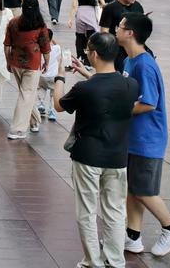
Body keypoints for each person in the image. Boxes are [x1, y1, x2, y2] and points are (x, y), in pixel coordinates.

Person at [53, 33, 140, 268]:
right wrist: (86, 72)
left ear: (93, 54)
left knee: (87, 212)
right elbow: (108, 89)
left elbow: (58, 105)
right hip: (117, 157)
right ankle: (115, 261)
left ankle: (93, 262)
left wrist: (60, 76)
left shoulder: (84, 88)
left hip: (87, 156)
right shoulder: (131, 85)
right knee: (115, 211)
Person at [116, 14, 170, 257]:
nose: (116, 29)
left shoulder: (144, 64)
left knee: (144, 190)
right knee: (133, 189)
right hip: (133, 137)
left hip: (148, 139)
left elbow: (148, 103)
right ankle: (133, 236)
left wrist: (117, 109)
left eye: (120, 26)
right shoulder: (129, 60)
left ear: (130, 33)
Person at [3, 0, 51, 139]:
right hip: (33, 64)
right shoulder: (40, 26)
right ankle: (17, 130)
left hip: (16, 62)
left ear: (23, 7)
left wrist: (8, 61)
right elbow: (45, 47)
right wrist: (47, 62)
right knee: (26, 94)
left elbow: (7, 45)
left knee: (26, 94)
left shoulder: (13, 23)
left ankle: (34, 122)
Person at [99, 0, 145, 71]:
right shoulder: (110, 8)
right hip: (118, 52)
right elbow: (104, 32)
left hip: (136, 50)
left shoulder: (138, 6)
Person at [67, 0, 103, 66]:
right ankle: (88, 60)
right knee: (90, 37)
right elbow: (103, 3)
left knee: (80, 36)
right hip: (92, 14)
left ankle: (80, 56)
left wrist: (70, 19)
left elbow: (74, 6)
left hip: (80, 13)